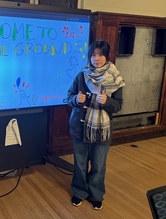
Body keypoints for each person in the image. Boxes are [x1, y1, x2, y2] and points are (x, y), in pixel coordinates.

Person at [66, 40, 125, 210]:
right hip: (80, 127)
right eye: (93, 54)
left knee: (98, 165)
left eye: (100, 54)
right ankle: (79, 192)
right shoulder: (81, 75)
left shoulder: (115, 79)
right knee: (80, 163)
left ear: (107, 56)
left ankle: (96, 194)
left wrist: (107, 101)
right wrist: (76, 99)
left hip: (103, 131)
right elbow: (68, 97)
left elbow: (119, 105)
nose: (96, 58)